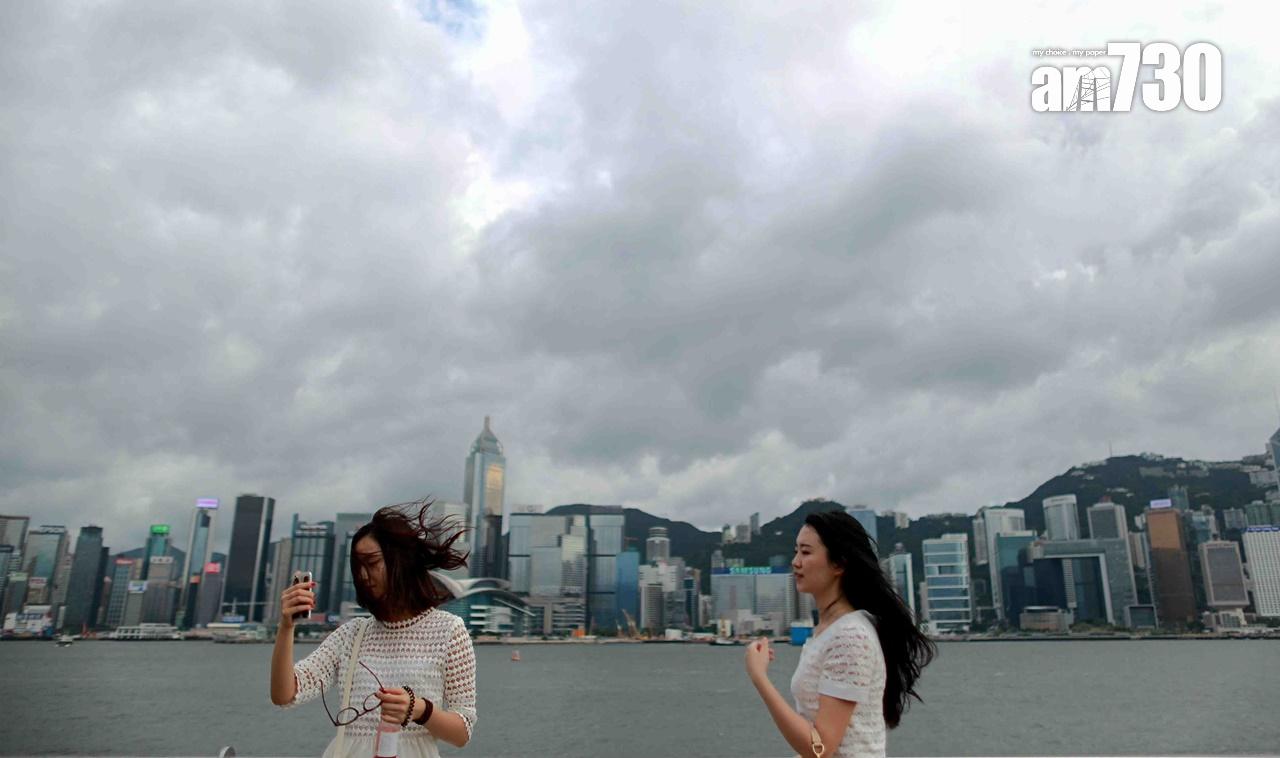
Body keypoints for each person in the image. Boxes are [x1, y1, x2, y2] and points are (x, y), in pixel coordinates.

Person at [270, 500, 477, 758]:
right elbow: (284, 694)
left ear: (400, 561)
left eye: (372, 562)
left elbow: (462, 732)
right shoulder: (352, 634)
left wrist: (420, 709)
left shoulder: (448, 631)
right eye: (358, 566)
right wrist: (286, 626)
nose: (364, 575)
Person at [745, 510, 936, 758]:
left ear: (839, 564)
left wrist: (759, 677)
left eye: (806, 552)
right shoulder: (829, 630)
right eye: (796, 551)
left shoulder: (850, 636)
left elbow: (821, 747)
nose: (795, 562)